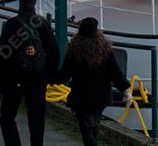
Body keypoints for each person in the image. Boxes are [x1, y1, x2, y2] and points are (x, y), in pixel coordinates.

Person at [0, 0, 58, 146]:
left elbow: (2, 56)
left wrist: (0, 84)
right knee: (37, 122)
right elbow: (54, 53)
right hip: (38, 81)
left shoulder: (11, 25)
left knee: (7, 118)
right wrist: (48, 77)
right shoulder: (43, 25)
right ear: (35, 2)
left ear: (20, 2)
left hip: (14, 80)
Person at [56, 17, 131, 146]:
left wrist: (50, 78)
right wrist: (126, 91)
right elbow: (115, 73)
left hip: (81, 97)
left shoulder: (74, 50)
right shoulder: (105, 50)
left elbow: (64, 75)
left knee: (86, 130)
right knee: (93, 124)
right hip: (100, 97)